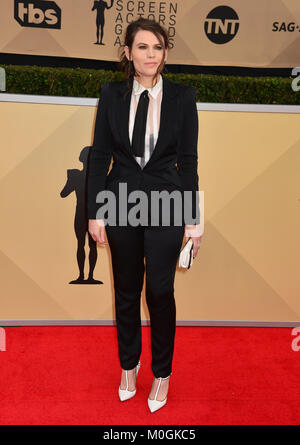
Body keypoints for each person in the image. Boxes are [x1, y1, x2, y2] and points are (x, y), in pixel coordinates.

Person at [87, 17, 202, 413]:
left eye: (157, 47)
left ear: (165, 53)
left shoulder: (183, 97)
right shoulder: (112, 93)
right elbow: (100, 156)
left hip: (166, 202)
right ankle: (128, 367)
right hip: (119, 201)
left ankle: (163, 373)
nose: (150, 54)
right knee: (125, 290)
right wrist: (95, 212)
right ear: (128, 52)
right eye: (142, 47)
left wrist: (194, 220)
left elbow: (188, 161)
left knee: (159, 291)